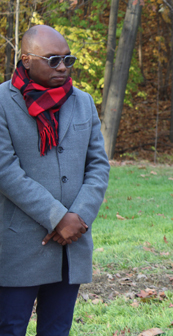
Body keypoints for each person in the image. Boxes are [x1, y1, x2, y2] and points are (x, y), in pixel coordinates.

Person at [0, 25, 109, 335]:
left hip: (70, 244)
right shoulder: (2, 103)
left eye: (67, 59)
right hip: (18, 244)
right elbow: (5, 171)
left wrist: (80, 216)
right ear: (25, 60)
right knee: (9, 327)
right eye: (52, 60)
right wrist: (58, 218)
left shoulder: (83, 102)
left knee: (57, 330)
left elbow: (98, 165)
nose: (63, 67)